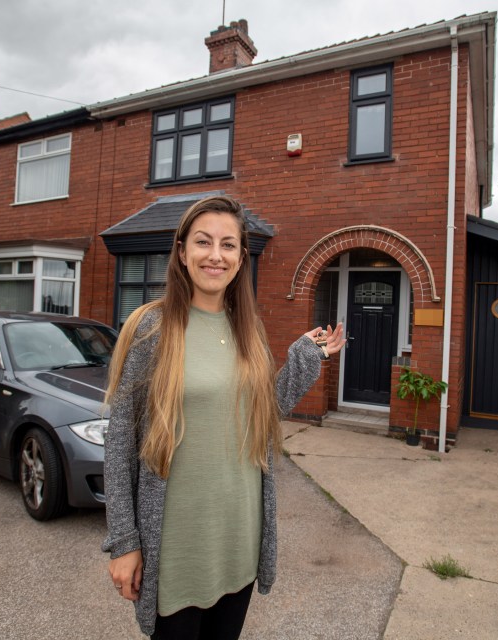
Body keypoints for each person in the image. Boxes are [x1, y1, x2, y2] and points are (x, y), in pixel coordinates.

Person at [102, 195, 345, 639]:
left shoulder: (246, 326)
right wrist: (124, 542)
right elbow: (119, 440)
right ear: (182, 252)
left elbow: (263, 415)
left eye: (228, 245)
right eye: (203, 242)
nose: (216, 255)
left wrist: (305, 356)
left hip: (239, 537)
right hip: (178, 546)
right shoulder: (148, 329)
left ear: (241, 257)